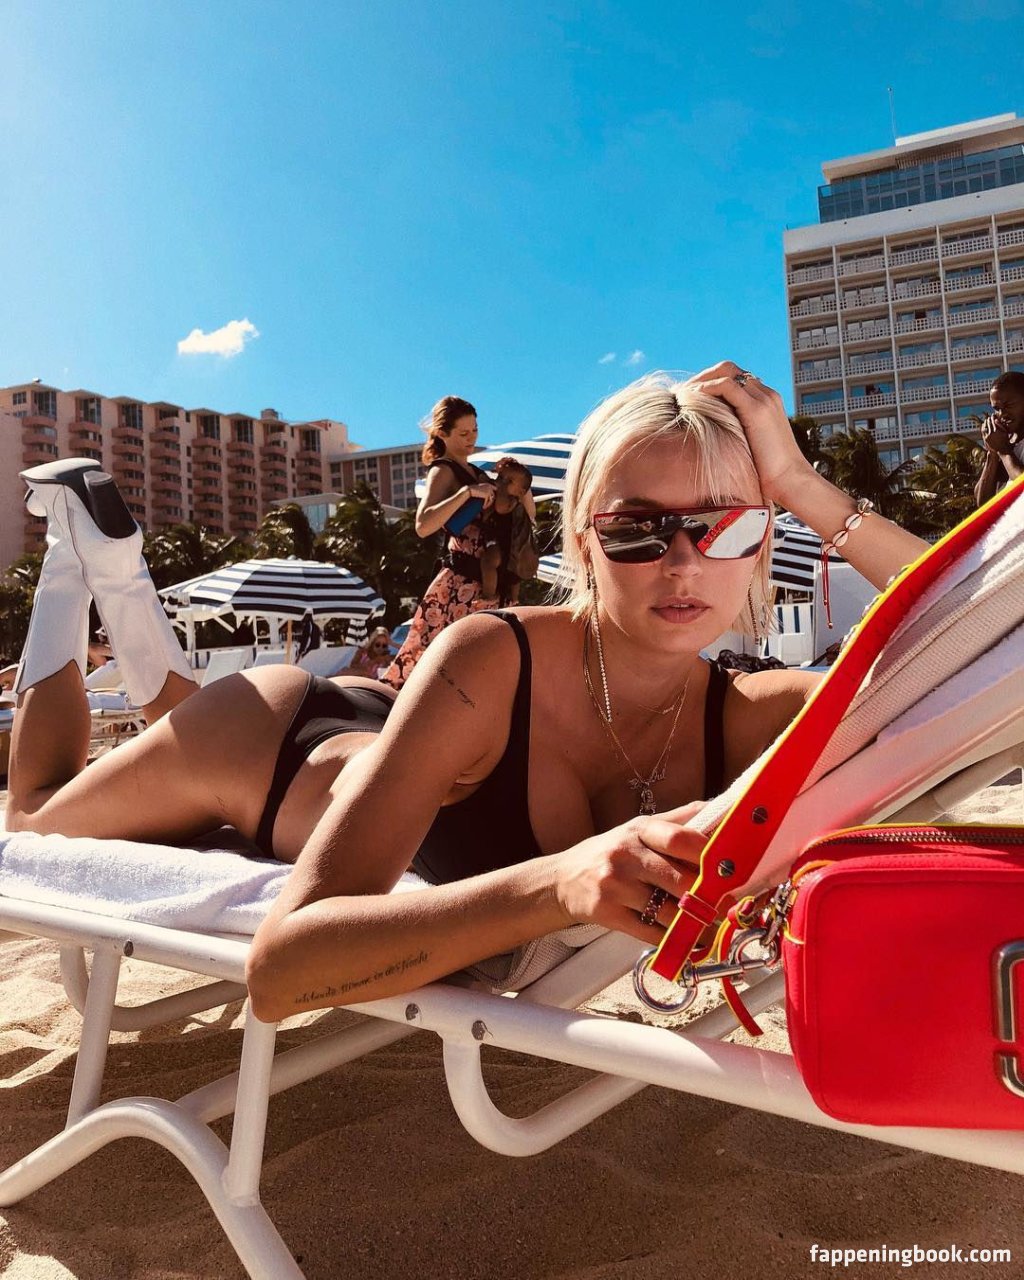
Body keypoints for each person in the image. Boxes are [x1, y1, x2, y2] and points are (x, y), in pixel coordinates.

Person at [6, 364, 928, 1026]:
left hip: (398, 738)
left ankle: (110, 574)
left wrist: (800, 483)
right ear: (581, 540)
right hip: (269, 741)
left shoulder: (763, 711)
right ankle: (81, 572)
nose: (684, 563)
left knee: (161, 705)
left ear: (764, 538)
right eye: (637, 530)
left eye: (723, 528)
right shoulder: (495, 652)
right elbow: (282, 975)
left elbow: (980, 628)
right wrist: (558, 884)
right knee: (34, 815)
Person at [379, 396, 509, 690]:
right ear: (442, 434)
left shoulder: (477, 473)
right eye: (463, 433)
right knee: (431, 675)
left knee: (478, 675)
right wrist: (466, 493)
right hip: (459, 587)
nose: (472, 438)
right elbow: (423, 525)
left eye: (475, 430)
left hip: (486, 584)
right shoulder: (443, 470)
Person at [478, 457, 539, 605]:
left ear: (521, 491)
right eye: (500, 477)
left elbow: (500, 508)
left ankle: (489, 595)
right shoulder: (507, 496)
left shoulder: (512, 501)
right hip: (505, 544)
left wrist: (497, 487)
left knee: (488, 562)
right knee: (510, 575)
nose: (502, 482)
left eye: (509, 481)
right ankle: (512, 598)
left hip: (508, 545)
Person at [974, 371, 1024, 507]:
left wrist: (1003, 450)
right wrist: (992, 453)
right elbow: (983, 504)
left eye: (1008, 406)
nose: (1002, 414)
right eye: (997, 408)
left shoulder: (1005, 449)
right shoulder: (1005, 442)